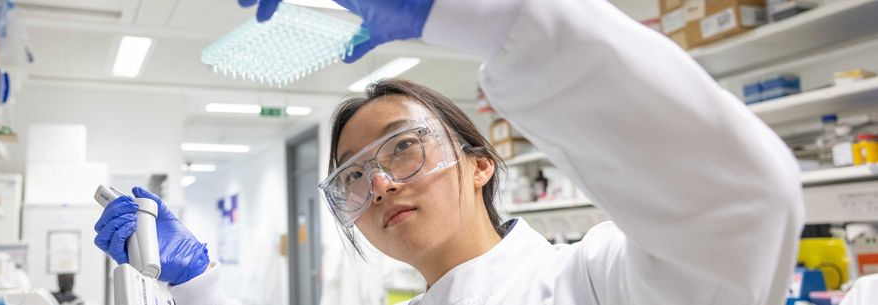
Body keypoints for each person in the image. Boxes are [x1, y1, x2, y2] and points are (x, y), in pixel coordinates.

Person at [93, 0, 806, 304]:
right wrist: (198, 282)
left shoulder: (592, 279)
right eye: (352, 178)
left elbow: (739, 210)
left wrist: (502, 21)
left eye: (404, 147)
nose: (380, 184)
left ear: (480, 161)